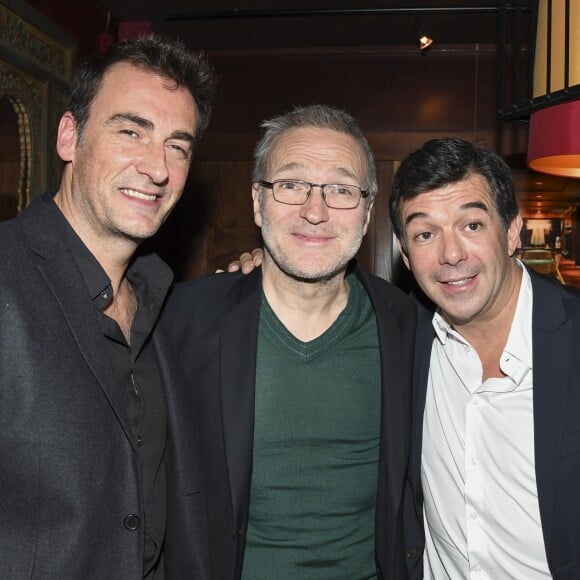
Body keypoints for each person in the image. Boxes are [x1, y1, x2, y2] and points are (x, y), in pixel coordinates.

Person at [163, 105, 416, 579]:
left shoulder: (409, 327)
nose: (314, 211)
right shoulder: (181, 322)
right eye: (291, 185)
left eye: (341, 189)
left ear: (366, 214)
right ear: (258, 203)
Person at [0, 36, 216, 579]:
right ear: (69, 136)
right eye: (130, 132)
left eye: (178, 146)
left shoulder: (164, 306)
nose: (158, 168)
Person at [389, 137, 580, 580]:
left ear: (512, 230)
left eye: (471, 225)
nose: (451, 254)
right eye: (425, 234)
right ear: (405, 253)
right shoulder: (399, 335)